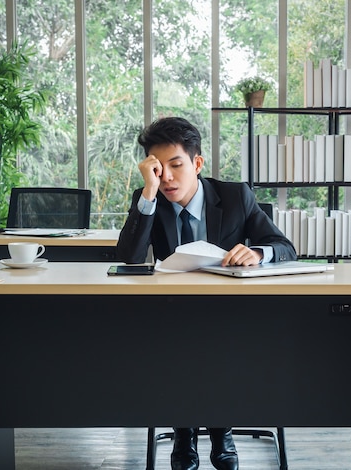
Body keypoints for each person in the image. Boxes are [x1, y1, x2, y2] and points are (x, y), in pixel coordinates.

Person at [117, 116, 296, 470]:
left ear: (197, 163)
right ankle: (184, 433)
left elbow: (284, 246)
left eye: (176, 165)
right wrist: (149, 194)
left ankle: (220, 430)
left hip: (227, 315)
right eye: (157, 168)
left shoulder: (234, 196)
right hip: (172, 315)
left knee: (216, 341)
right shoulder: (149, 197)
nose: (166, 176)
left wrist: (258, 253)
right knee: (177, 343)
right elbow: (129, 257)